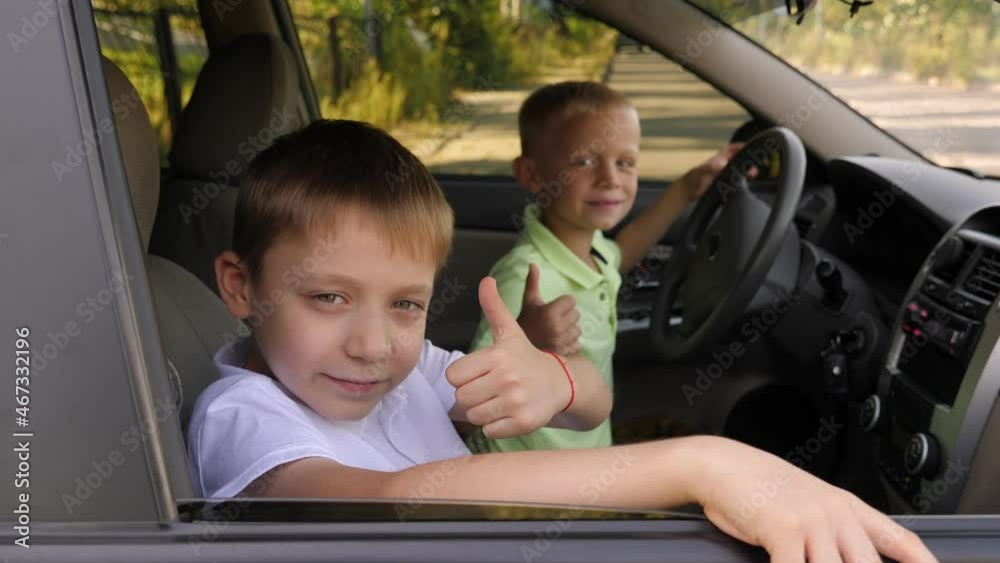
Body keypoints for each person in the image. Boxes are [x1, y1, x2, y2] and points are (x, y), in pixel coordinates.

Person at [187, 119, 935, 563]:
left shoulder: (404, 375)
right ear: (240, 287)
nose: (373, 345)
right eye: (328, 298)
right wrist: (701, 461)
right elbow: (386, 498)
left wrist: (560, 382)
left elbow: (594, 403)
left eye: (408, 304)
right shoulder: (243, 414)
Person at [467, 81, 740, 453]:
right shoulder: (527, 274)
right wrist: (525, 342)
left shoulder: (591, 247)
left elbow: (620, 255)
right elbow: (471, 393)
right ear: (531, 175)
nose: (610, 178)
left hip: (582, 454)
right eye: (584, 161)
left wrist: (688, 187)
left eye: (625, 163)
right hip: (533, 482)